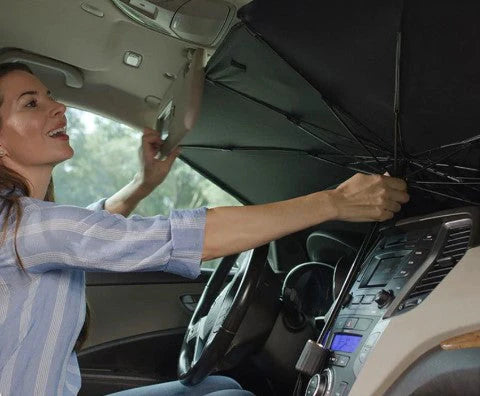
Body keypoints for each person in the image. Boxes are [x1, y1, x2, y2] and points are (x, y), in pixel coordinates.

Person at [0, 63, 409, 396]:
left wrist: (143, 185)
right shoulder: (29, 227)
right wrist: (334, 202)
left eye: (50, 96)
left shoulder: (24, 222)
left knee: (222, 385)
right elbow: (192, 237)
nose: (58, 108)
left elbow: (91, 227)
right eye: (31, 103)